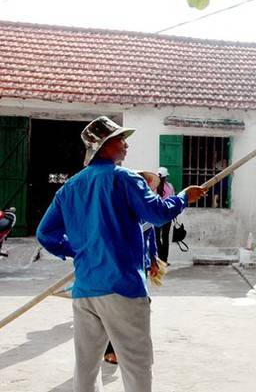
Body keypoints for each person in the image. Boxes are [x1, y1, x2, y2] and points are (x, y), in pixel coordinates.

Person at [36, 116, 206, 392]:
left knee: (86, 368)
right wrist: (184, 197)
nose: (126, 144)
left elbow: (46, 234)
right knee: (136, 365)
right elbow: (157, 213)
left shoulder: (70, 187)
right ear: (104, 146)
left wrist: (79, 250)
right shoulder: (123, 178)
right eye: (119, 139)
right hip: (122, 287)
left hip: (85, 290)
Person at [103, 170, 161, 366]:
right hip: (119, 267)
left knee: (135, 309)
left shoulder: (146, 211)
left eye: (145, 184)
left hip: (139, 267)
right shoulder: (118, 209)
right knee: (117, 309)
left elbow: (151, 237)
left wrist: (153, 260)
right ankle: (111, 349)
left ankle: (125, 349)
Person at [155, 167, 175, 264]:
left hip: (156, 215)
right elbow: (173, 200)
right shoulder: (170, 186)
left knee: (157, 237)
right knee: (165, 237)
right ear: (166, 176)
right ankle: (164, 260)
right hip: (167, 215)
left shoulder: (154, 187)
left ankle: (158, 259)